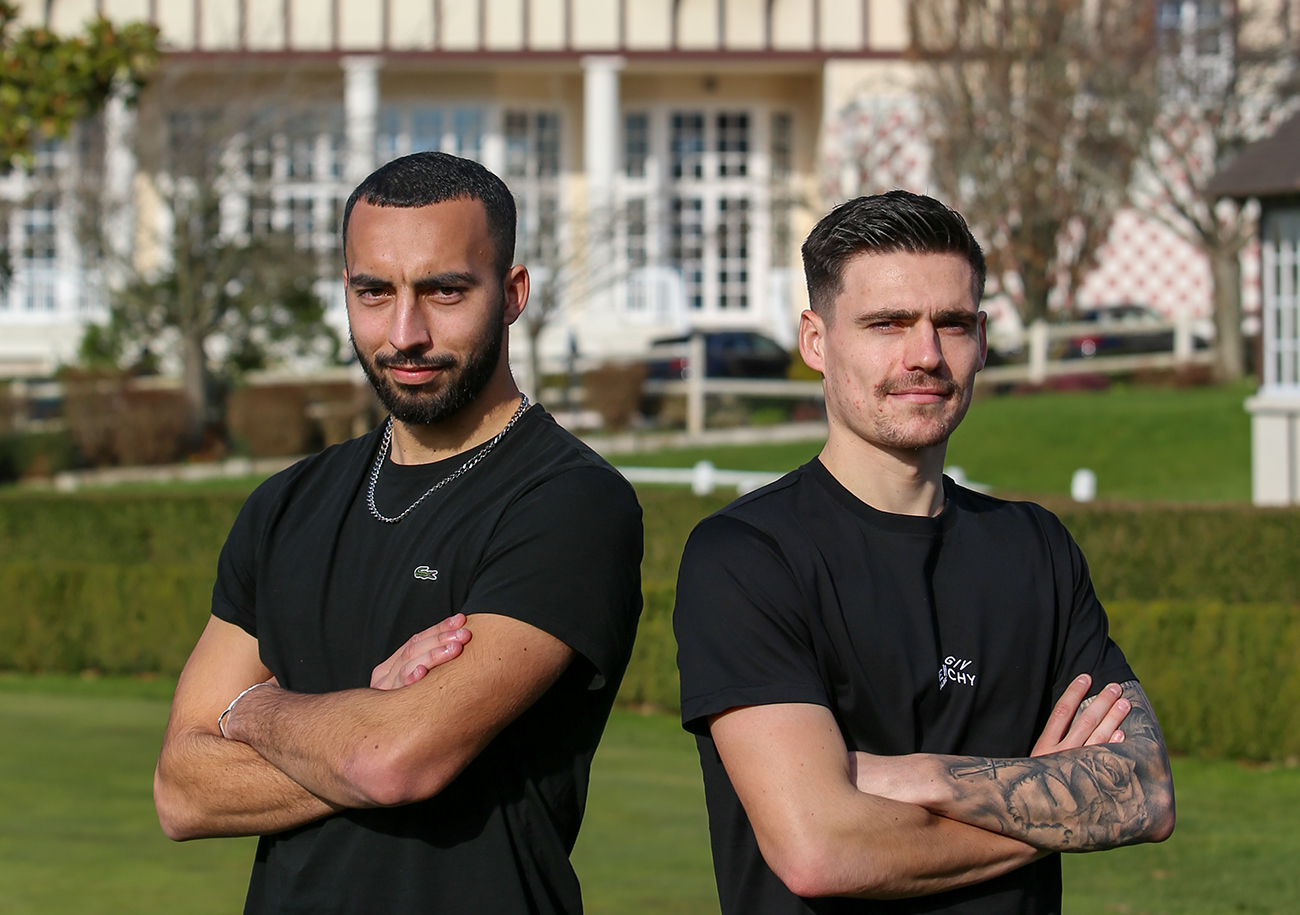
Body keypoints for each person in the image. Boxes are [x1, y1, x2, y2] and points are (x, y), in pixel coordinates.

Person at [154, 152, 643, 914]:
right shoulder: (285, 504)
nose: (404, 333)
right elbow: (182, 791)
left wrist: (250, 711)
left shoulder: (570, 503)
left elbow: (389, 762)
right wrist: (362, 718)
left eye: (445, 290)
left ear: (513, 294)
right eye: (373, 292)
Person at [673, 191, 1174, 914]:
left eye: (953, 323)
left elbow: (1147, 790)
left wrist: (926, 775)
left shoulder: (1036, 549)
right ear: (817, 340)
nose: (926, 355)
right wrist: (1046, 799)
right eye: (888, 323)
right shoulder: (749, 557)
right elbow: (822, 850)